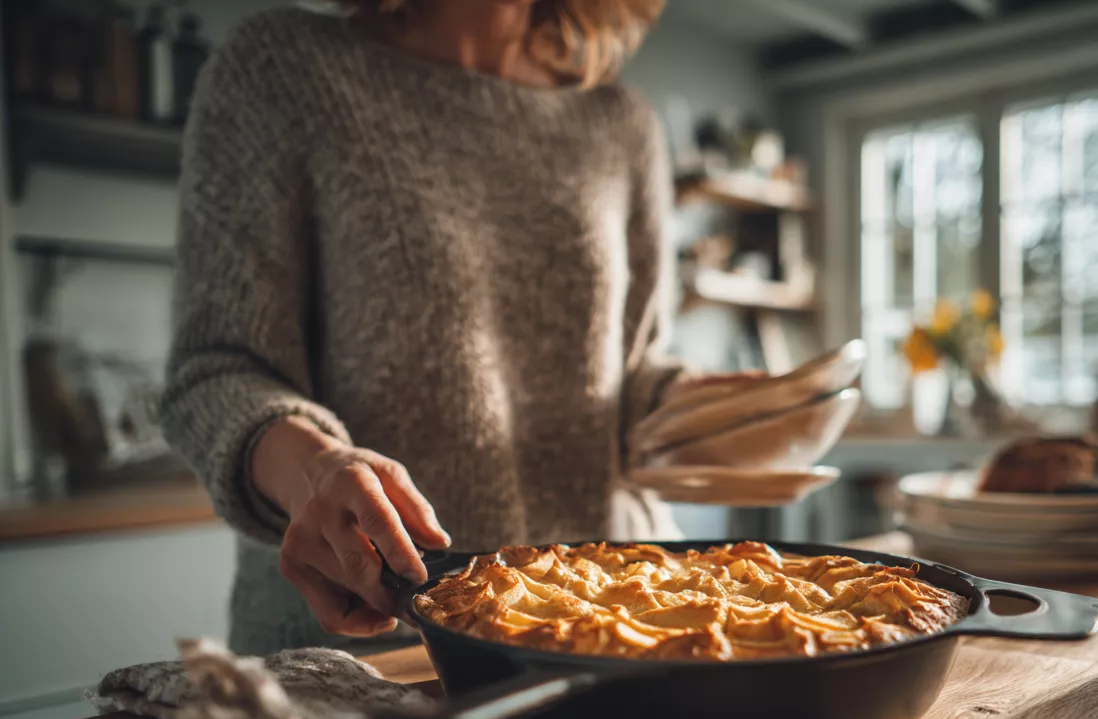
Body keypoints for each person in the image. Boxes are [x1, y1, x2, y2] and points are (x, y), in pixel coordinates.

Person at [162, 0, 732, 655]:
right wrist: (315, 468)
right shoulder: (282, 69)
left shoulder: (621, 122)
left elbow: (629, 371)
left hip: (618, 633)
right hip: (375, 642)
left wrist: (714, 410)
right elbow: (215, 371)